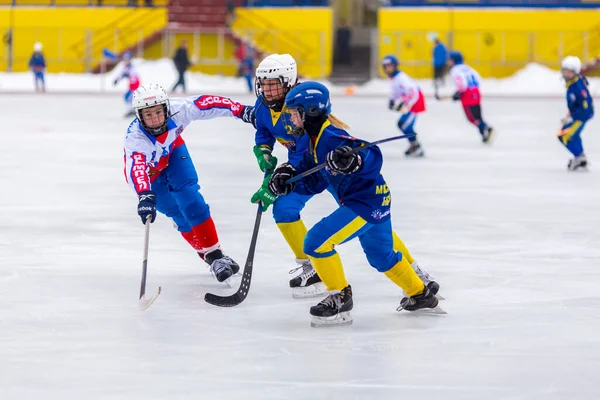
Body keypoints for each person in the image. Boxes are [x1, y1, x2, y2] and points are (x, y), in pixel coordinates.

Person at [249, 54, 439, 300]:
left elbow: (326, 151)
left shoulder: (308, 111)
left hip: (328, 168)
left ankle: (414, 273)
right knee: (285, 208)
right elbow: (265, 131)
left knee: (361, 220)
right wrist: (268, 156)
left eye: (272, 83)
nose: (266, 89)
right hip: (316, 167)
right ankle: (313, 266)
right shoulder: (265, 106)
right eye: (263, 83)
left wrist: (289, 175)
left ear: (288, 82)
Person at [123, 84, 256, 283]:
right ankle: (212, 258)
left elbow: (208, 103)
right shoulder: (135, 138)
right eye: (148, 115)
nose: (155, 120)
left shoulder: (179, 110)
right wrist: (144, 194)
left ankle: (215, 256)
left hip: (174, 152)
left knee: (191, 200)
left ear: (166, 109)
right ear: (139, 116)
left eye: (159, 112)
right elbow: (136, 169)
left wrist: (239, 110)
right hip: (151, 175)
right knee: (179, 215)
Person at [381, 55, 426, 157]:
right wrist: (392, 100)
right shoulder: (395, 78)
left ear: (395, 66)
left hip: (415, 101)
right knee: (404, 124)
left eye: (390, 66)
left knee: (404, 124)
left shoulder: (401, 77)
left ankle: (416, 146)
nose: (388, 68)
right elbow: (396, 90)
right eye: (386, 66)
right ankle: (414, 144)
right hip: (411, 101)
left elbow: (412, 91)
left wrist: (407, 105)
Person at [445, 51, 494, 143]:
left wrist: (458, 93)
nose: (447, 61)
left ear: (453, 60)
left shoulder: (455, 70)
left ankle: (486, 128)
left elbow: (461, 82)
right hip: (475, 91)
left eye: (449, 60)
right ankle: (484, 135)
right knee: (478, 116)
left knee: (471, 118)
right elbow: (478, 78)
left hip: (467, 94)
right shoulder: (468, 68)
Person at [557, 56, 594, 171]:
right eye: (565, 71)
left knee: (564, 135)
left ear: (575, 72)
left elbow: (585, 105)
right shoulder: (573, 82)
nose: (566, 74)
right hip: (577, 114)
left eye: (569, 72)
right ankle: (580, 156)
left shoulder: (578, 86)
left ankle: (579, 157)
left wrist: (572, 118)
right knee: (573, 135)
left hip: (581, 116)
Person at [113, 52, 140, 118]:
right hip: (131, 85)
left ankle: (132, 110)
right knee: (127, 97)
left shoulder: (132, 67)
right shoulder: (125, 67)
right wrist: (117, 79)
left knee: (130, 97)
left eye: (127, 59)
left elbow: (134, 75)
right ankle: (132, 110)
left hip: (135, 84)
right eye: (125, 59)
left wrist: (128, 75)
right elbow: (121, 74)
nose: (126, 61)